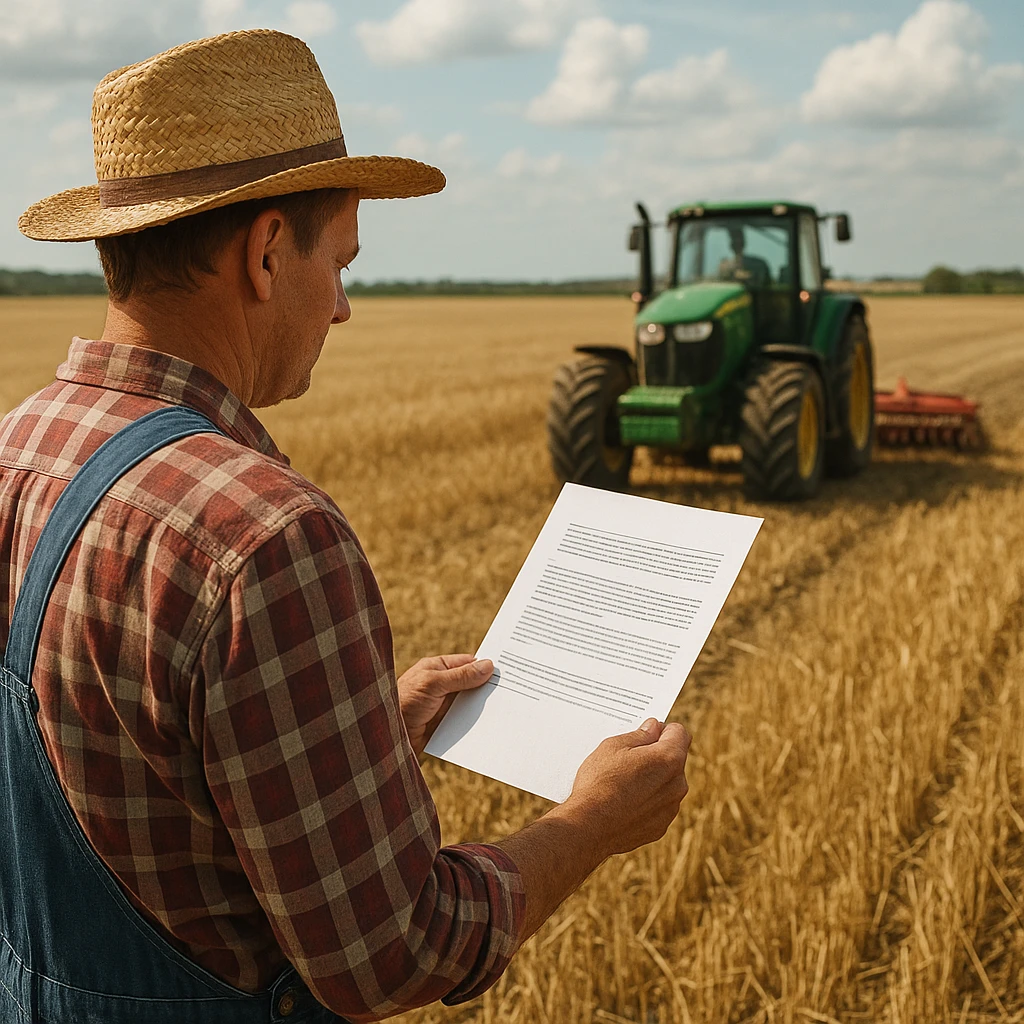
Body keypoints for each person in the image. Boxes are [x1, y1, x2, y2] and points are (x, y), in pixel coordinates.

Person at [2, 29, 692, 1024]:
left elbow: (121, 775)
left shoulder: (18, 447)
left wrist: (351, 742)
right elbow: (394, 955)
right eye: (342, 261)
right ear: (267, 250)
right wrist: (592, 820)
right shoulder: (262, 535)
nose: (345, 307)